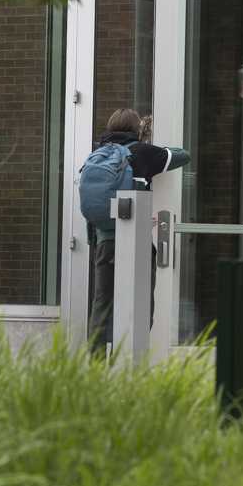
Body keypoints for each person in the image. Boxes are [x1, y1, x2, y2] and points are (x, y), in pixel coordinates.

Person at [87, 108, 190, 357]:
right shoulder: (142, 152)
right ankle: (133, 361)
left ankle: (96, 364)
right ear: (136, 130)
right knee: (142, 305)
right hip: (136, 244)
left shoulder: (98, 154)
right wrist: (149, 142)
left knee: (103, 303)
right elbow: (183, 155)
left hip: (105, 241)